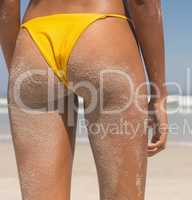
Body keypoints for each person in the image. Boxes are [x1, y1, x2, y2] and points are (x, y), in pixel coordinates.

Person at [0, 0, 168, 199]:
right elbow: (143, 3)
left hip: (33, 40)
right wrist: (158, 94)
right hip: (102, 32)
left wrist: (21, 72)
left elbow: (6, 5)